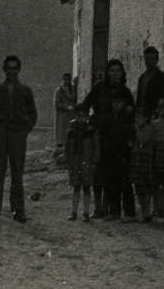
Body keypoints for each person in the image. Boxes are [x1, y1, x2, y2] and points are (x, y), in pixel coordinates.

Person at [0, 55, 38, 222]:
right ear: (4, 69)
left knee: (17, 172)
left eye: (15, 68)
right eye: (9, 68)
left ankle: (18, 210)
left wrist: (24, 130)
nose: (12, 72)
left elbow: (32, 114)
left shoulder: (25, 91)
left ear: (19, 70)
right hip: (0, 134)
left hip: (17, 135)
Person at [83, 59, 134, 218]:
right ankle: (106, 209)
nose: (115, 74)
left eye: (118, 70)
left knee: (120, 174)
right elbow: (85, 106)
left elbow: (133, 114)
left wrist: (127, 111)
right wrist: (91, 122)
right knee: (104, 173)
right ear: (107, 72)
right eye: (112, 70)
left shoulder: (125, 92)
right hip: (103, 135)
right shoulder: (99, 89)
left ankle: (122, 211)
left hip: (120, 136)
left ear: (122, 73)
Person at [64, 104, 96, 221]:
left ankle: (86, 213)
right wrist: (68, 161)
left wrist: (94, 162)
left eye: (83, 116)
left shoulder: (91, 131)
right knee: (76, 187)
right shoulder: (71, 130)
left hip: (86, 161)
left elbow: (95, 147)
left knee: (86, 187)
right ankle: (74, 212)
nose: (80, 118)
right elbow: (67, 147)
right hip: (75, 161)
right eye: (78, 116)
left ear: (87, 117)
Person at [149, 88, 164, 218]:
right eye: (163, 108)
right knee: (155, 183)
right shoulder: (154, 124)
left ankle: (161, 207)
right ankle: (155, 207)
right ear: (158, 110)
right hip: (156, 153)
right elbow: (151, 140)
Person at [129, 103, 155, 222]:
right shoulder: (134, 128)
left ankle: (147, 211)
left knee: (146, 186)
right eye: (137, 117)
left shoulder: (149, 128)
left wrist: (136, 129)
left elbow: (143, 140)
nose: (138, 120)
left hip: (145, 157)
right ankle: (143, 211)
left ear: (146, 118)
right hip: (136, 157)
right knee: (138, 186)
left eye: (141, 117)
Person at [135, 46, 164, 118]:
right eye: (147, 59)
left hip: (155, 115)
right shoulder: (142, 77)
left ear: (157, 60)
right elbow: (139, 98)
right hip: (142, 115)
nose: (149, 62)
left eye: (152, 59)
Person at [53, 72, 76, 163]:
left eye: (68, 79)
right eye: (65, 79)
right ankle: (62, 152)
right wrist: (66, 106)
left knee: (70, 131)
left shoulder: (73, 89)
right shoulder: (59, 90)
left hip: (72, 115)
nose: (67, 81)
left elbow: (75, 98)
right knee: (62, 133)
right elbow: (56, 103)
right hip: (63, 116)